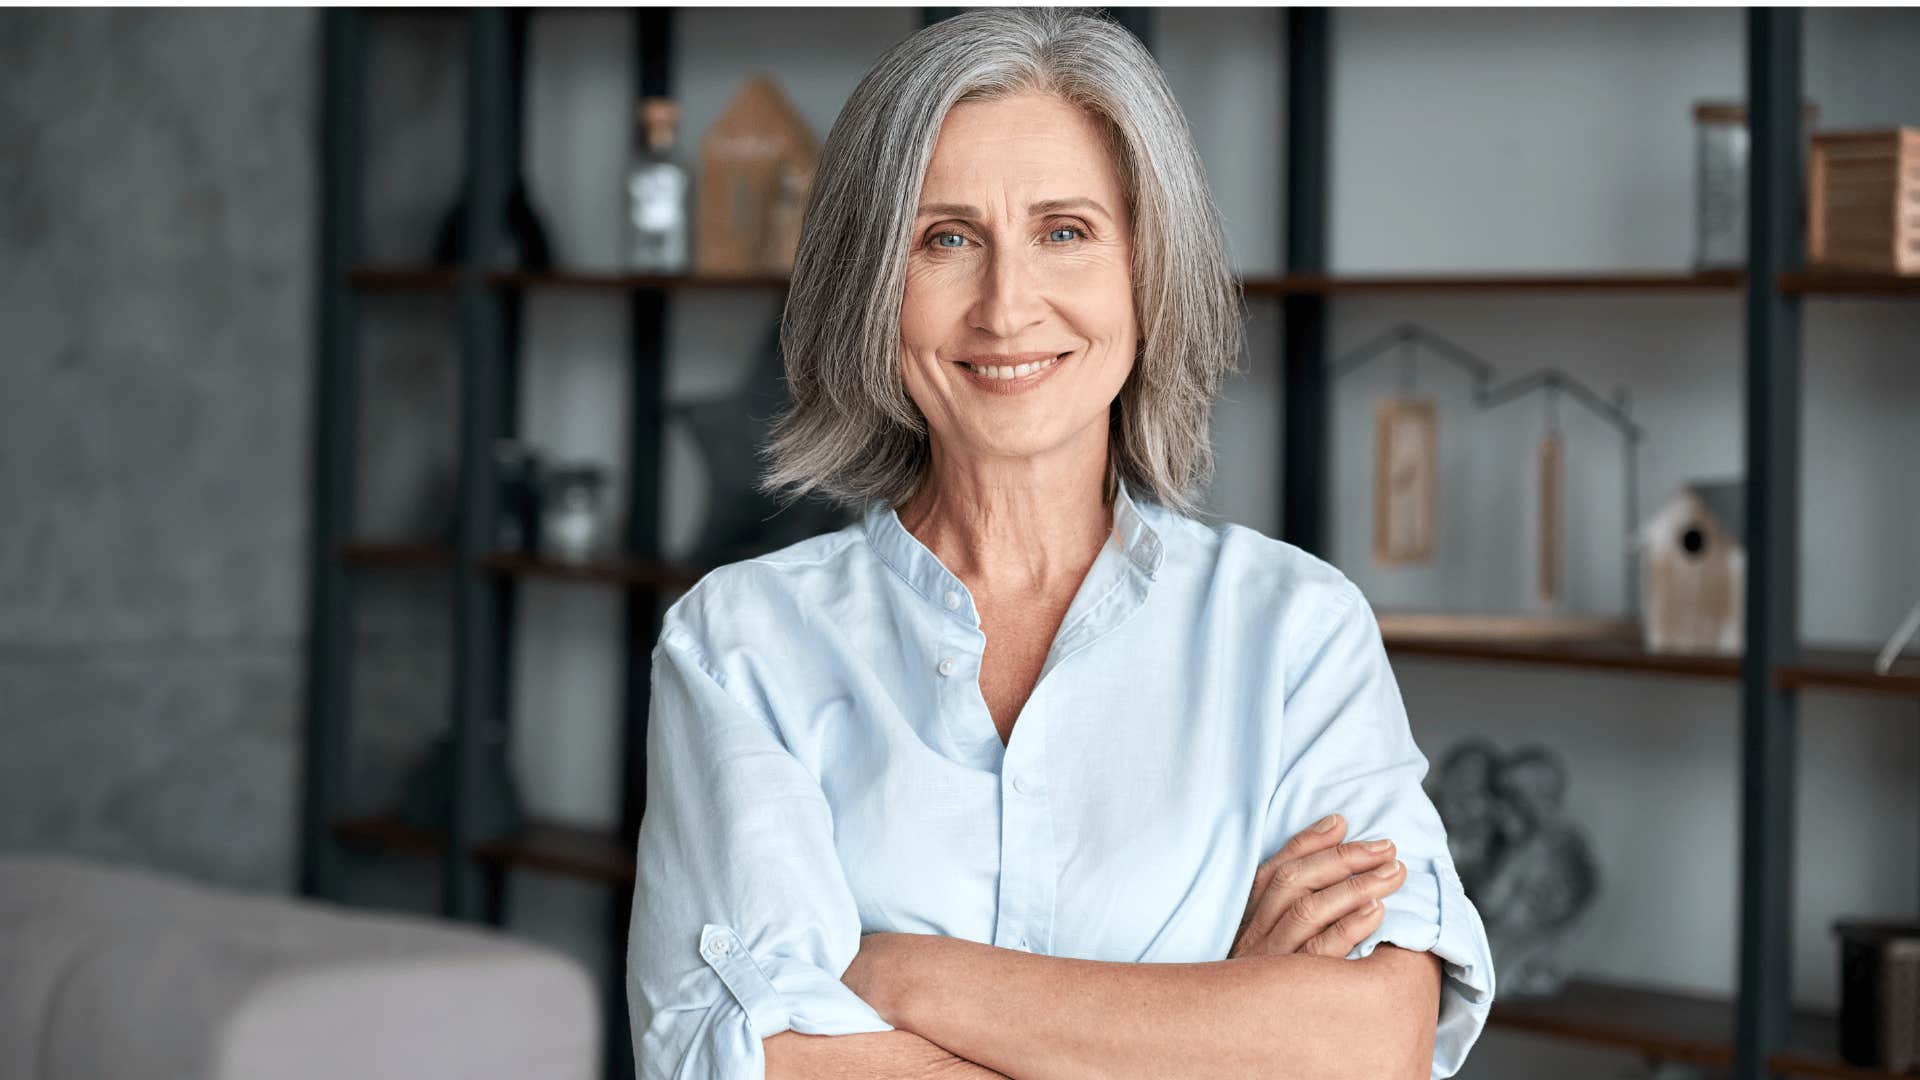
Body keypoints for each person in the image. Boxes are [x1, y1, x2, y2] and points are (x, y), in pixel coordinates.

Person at [625, 9, 1494, 1079]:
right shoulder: (742, 646)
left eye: (1065, 231)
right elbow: (750, 1063)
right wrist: (1223, 1021)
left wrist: (902, 977)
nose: (1007, 304)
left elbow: (1372, 1042)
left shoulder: (1295, 633)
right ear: (872, 285)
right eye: (946, 238)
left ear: (1145, 270)